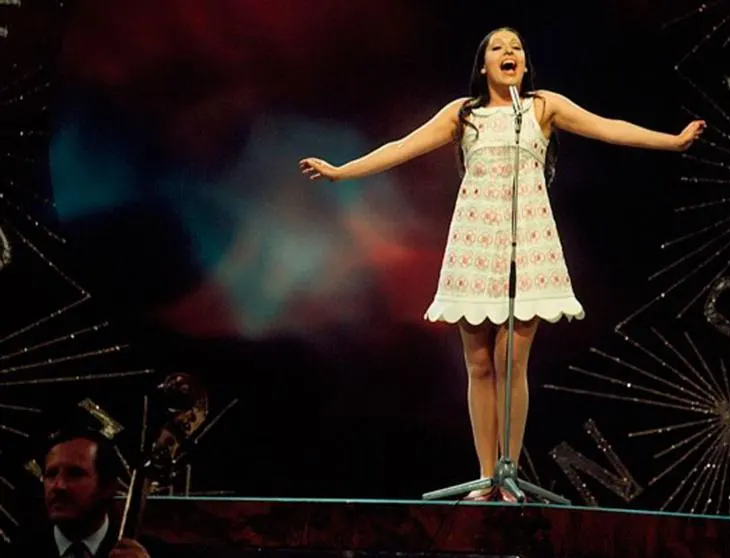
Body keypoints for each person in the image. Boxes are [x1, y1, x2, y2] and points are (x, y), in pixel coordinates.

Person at [299, 27, 705, 502]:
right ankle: (485, 474)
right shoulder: (464, 115)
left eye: (516, 48)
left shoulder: (541, 107)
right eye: (498, 47)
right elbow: (399, 147)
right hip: (476, 244)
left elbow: (609, 126)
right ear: (484, 65)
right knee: (479, 362)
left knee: (512, 360)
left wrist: (672, 142)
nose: (509, 52)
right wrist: (341, 171)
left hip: (527, 243)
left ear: (525, 65)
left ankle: (508, 476)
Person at [8, 429, 169, 558]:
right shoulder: (15, 552)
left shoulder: (151, 553)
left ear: (108, 487)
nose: (58, 486)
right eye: (51, 474)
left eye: (75, 474)